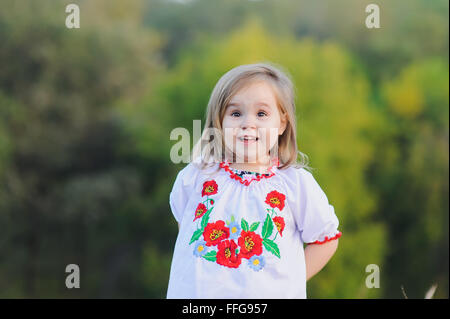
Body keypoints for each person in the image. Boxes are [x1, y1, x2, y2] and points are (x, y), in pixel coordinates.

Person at [167, 62, 341, 298]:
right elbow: (185, 226)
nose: (248, 123)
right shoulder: (197, 175)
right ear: (219, 121)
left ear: (282, 123)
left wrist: (291, 283)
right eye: (236, 113)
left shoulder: (295, 184)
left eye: (261, 114)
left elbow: (325, 239)